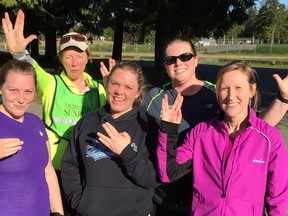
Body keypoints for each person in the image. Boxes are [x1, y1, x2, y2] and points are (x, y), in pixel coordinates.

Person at [141, 35, 288, 215]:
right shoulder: (159, 101)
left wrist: (283, 100)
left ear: (196, 60)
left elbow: (258, 134)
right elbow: (163, 166)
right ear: (165, 65)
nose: (230, 96)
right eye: (171, 59)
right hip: (170, 199)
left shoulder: (212, 93)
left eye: (185, 56)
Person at [2, 10, 106, 215]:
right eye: (68, 56)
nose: (74, 62)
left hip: (86, 170)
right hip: (55, 170)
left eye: (79, 56)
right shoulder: (52, 83)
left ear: (88, 57)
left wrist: (114, 88)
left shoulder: (99, 89)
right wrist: (19, 54)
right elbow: (30, 71)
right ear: (60, 58)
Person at [61, 61, 157, 216]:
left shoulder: (148, 126)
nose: (119, 91)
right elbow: (71, 165)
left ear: (138, 92)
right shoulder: (87, 122)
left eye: (128, 87)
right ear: (106, 84)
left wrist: (127, 153)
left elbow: (152, 178)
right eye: (115, 83)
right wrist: (79, 201)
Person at [0, 60, 64, 216]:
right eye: (13, 90)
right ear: (1, 88)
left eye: (28, 91)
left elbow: (48, 170)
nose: (21, 99)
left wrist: (58, 212)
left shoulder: (35, 122)